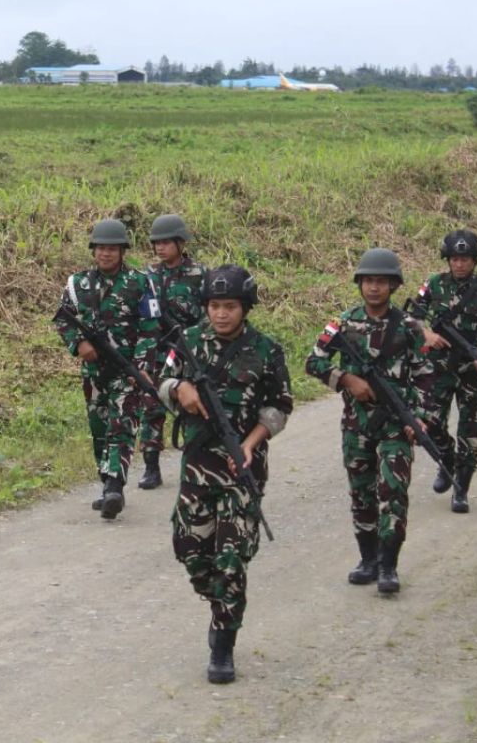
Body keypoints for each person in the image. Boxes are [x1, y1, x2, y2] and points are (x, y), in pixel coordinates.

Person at [157, 264, 292, 684]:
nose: (221, 314)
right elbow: (160, 383)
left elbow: (279, 408)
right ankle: (220, 603)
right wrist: (179, 389)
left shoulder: (266, 351)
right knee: (192, 552)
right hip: (198, 466)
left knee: (230, 558)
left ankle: (222, 643)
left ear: (245, 308)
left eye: (230, 306)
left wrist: (251, 444)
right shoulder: (189, 341)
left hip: (241, 469)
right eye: (215, 306)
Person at [305, 248, 435, 595]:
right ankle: (368, 559)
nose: (374, 288)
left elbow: (425, 376)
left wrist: (419, 420)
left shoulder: (409, 327)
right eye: (368, 281)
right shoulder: (342, 324)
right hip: (356, 424)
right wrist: (347, 380)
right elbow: (313, 362)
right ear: (359, 284)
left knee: (392, 492)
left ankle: (389, 565)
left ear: (393, 286)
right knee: (361, 493)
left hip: (396, 423)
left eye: (381, 282)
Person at [54, 219, 158, 519]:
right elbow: (62, 319)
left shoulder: (140, 283)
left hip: (127, 370)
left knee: (122, 426)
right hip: (93, 372)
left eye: (112, 248)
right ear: (93, 251)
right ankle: (106, 485)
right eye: (101, 248)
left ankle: (115, 485)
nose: (106, 254)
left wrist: (142, 367)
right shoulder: (77, 284)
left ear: (122, 251)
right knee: (99, 429)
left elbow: (150, 328)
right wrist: (78, 344)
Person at [407, 230, 477, 513]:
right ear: (447, 260)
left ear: (475, 260)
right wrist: (426, 334)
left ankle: (461, 488)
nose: (460, 264)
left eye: (465, 259)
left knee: (471, 431)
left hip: (471, 370)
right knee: (430, 423)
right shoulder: (433, 285)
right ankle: (446, 457)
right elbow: (412, 316)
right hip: (436, 368)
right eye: (455, 259)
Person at [137, 214, 207, 490]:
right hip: (157, 348)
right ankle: (151, 467)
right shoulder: (148, 276)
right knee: (151, 406)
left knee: (193, 405)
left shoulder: (199, 275)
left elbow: (208, 314)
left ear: (180, 243)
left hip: (187, 349)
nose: (160, 248)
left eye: (166, 242)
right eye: (156, 243)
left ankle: (196, 462)